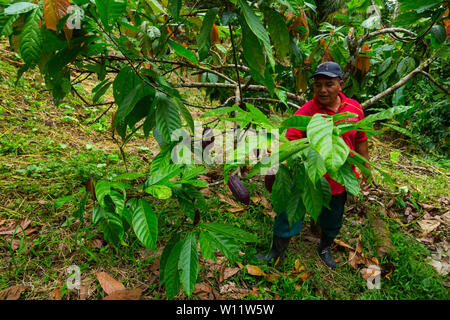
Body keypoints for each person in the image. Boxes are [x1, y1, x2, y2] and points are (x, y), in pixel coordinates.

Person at [256, 61, 370, 269]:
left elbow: (361, 139)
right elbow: (290, 137)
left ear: (341, 85)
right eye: (318, 85)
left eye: (329, 84)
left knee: (333, 218)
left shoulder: (354, 108)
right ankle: (277, 251)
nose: (323, 90)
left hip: (339, 178)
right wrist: (277, 150)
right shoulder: (308, 111)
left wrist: (365, 170)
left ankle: (324, 248)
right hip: (306, 176)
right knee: (289, 215)